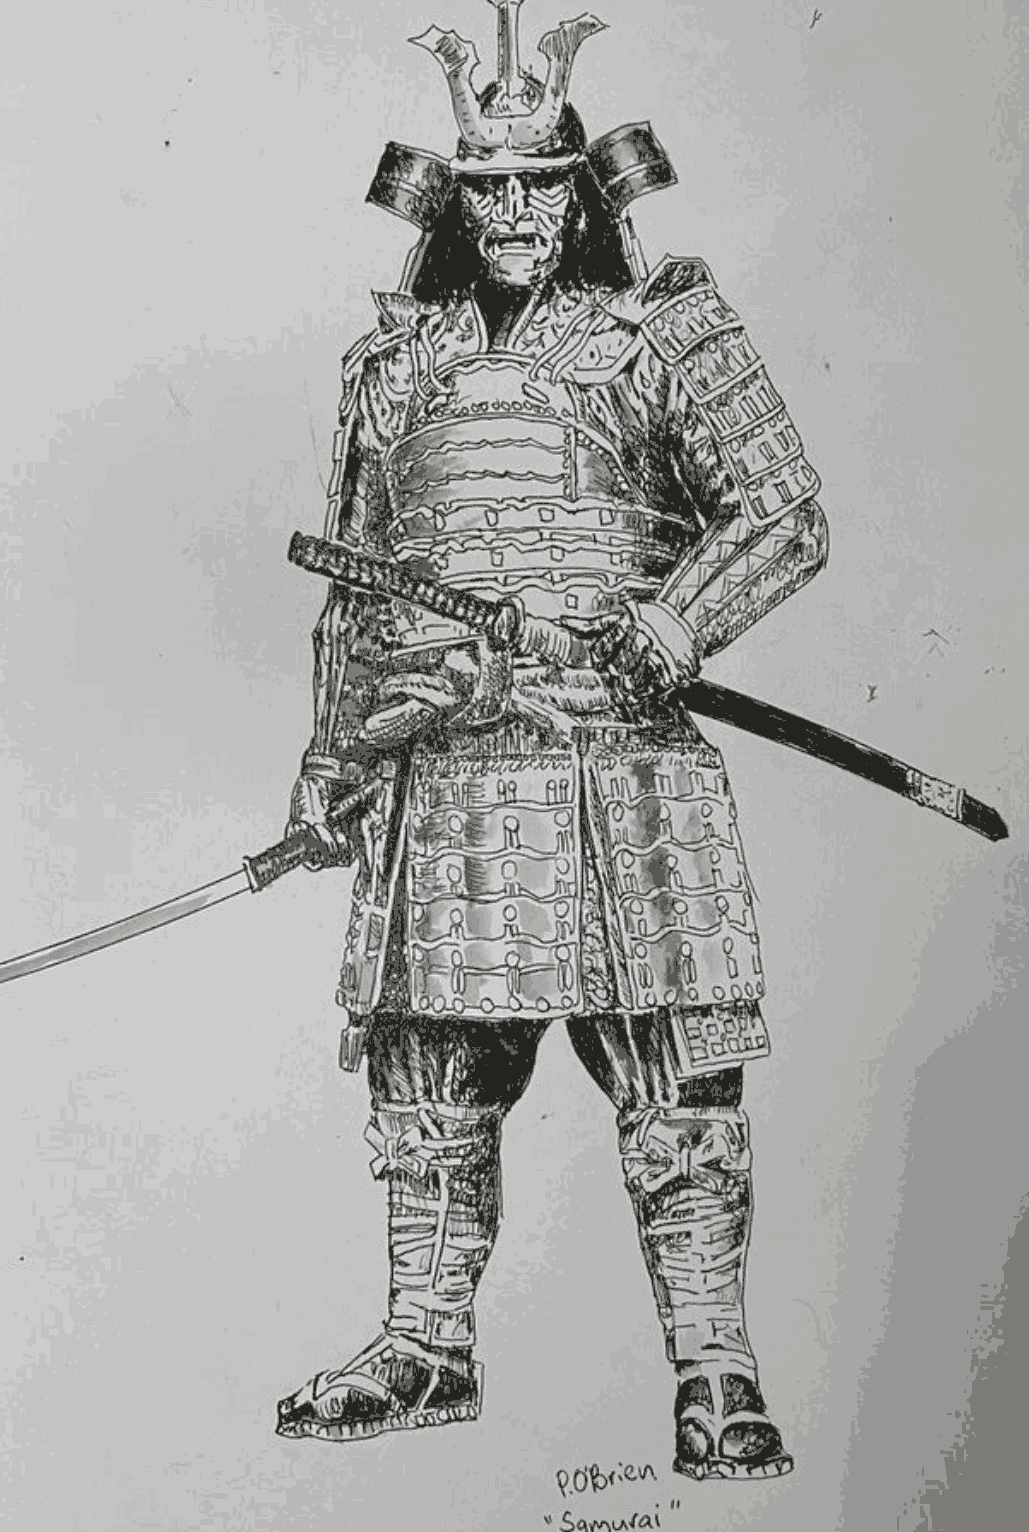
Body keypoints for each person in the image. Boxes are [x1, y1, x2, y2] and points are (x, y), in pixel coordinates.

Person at [276, 3, 827, 1481]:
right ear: (451, 201)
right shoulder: (392, 364)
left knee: (678, 1081)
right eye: (487, 188)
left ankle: (715, 1369)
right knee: (427, 1078)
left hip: (621, 768)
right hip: (444, 766)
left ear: (584, 189)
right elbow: (357, 579)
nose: (514, 213)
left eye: (539, 185)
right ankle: (424, 1344)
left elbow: (781, 512)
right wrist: (332, 761)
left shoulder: (665, 333)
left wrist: (674, 624)